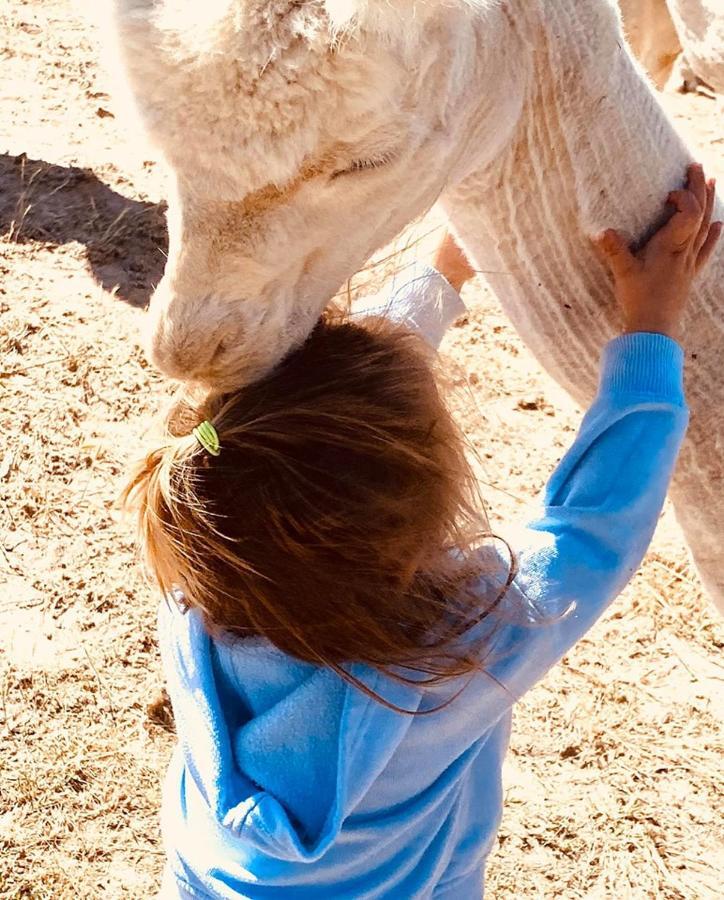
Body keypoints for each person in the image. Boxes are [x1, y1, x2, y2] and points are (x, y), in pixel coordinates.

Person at [124, 165, 720, 899]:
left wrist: (446, 268)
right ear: (416, 517)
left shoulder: (204, 571)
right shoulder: (455, 651)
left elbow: (325, 428)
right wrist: (651, 331)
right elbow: (596, 527)